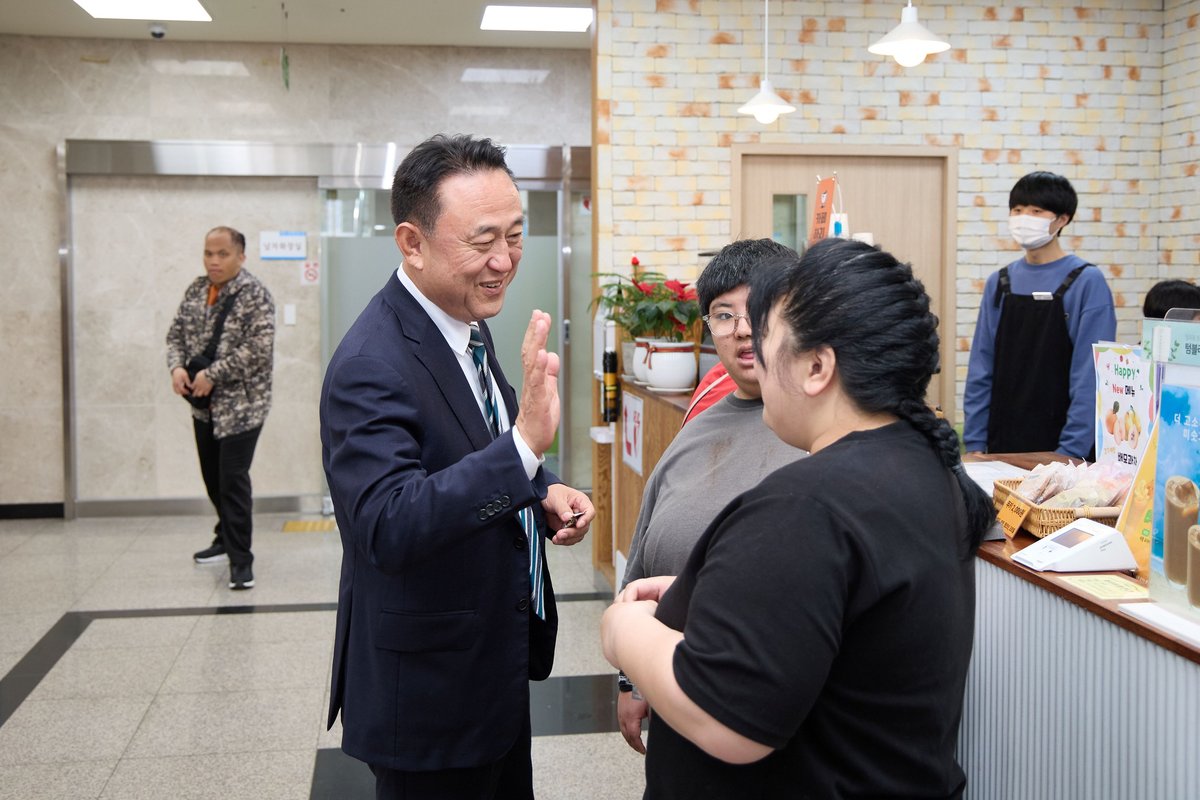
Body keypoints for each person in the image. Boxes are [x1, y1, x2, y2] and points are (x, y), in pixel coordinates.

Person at [601, 238, 995, 799]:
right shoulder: (924, 467)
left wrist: (625, 632)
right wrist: (714, 592)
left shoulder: (804, 505)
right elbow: (826, 614)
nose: (753, 353)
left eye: (767, 338)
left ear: (816, 367)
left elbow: (727, 716)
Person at [319, 133, 595, 800]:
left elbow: (478, 442)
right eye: (482, 241)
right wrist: (524, 448)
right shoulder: (370, 363)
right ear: (412, 243)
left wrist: (543, 487)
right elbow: (387, 525)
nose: (504, 260)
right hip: (429, 695)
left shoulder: (464, 323)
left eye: (515, 236)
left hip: (492, 667)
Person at [617, 238, 805, 753]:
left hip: (762, 704)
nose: (743, 329)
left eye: (759, 308)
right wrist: (631, 679)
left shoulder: (819, 426)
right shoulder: (702, 415)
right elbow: (645, 544)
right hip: (672, 680)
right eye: (724, 315)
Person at [963, 171, 1116, 459]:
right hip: (1000, 444)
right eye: (1017, 210)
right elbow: (981, 366)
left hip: (1063, 450)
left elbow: (1091, 375)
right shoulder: (1000, 282)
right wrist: (974, 442)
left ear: (1062, 219)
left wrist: (1071, 450)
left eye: (1036, 211)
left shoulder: (1086, 281)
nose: (1024, 218)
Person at [166, 226, 275, 591]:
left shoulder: (255, 294)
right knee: (212, 478)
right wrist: (176, 368)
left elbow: (258, 349)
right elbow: (175, 335)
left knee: (232, 480)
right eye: (208, 253)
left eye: (222, 254)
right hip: (204, 407)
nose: (214, 261)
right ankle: (224, 537)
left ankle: (241, 561)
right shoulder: (196, 290)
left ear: (240, 257)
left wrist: (213, 374)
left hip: (243, 408)